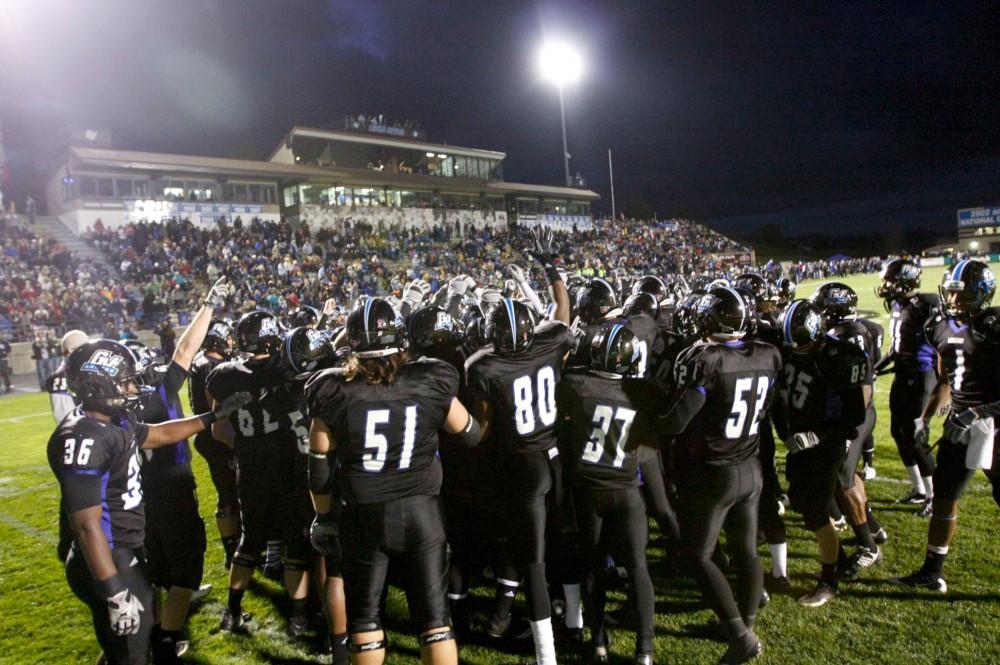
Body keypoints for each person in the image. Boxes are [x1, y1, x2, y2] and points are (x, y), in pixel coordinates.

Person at [48, 339, 248, 665]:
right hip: (108, 559)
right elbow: (86, 527)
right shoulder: (83, 437)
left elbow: (157, 434)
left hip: (123, 551)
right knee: (133, 654)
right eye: (125, 380)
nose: (133, 386)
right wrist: (114, 591)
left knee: (123, 649)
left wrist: (210, 417)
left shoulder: (112, 419)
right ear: (99, 385)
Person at [305, 297, 481, 665]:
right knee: (435, 621)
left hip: (364, 514)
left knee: (366, 618)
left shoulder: (333, 390)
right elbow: (469, 433)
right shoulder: (431, 378)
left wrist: (323, 517)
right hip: (422, 513)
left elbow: (319, 468)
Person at [466, 228, 572, 665]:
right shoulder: (549, 344)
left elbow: (484, 428)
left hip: (523, 466)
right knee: (563, 541)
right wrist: (552, 271)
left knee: (532, 561)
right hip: (556, 459)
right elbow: (564, 312)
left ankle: (546, 654)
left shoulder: (484, 366)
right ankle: (577, 620)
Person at [663, 286, 781, 665]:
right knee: (746, 551)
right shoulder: (766, 353)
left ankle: (740, 635)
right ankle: (743, 624)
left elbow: (678, 420)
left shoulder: (707, 360)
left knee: (697, 555)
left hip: (716, 473)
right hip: (751, 466)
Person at [133, 278, 229, 663]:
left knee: (155, 568)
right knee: (185, 571)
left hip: (138, 494)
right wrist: (208, 304)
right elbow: (186, 349)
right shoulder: (157, 390)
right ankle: (167, 642)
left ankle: (150, 631)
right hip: (172, 489)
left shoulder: (111, 409)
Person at [893, 260, 1000, 592]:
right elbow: (946, 380)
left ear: (980, 294)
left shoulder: (995, 326)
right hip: (960, 425)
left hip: (995, 425)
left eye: (960, 294)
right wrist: (925, 417)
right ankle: (932, 570)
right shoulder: (938, 326)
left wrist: (979, 412)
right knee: (944, 495)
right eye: (950, 293)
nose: (952, 301)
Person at [558, 323, 661, 665]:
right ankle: (645, 649)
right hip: (628, 490)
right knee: (638, 568)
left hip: (590, 491)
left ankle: (599, 641)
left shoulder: (576, 385)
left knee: (591, 567)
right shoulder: (642, 392)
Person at [208, 310, 313, 636]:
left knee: (249, 541)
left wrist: (243, 446)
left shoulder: (224, 374)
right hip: (289, 469)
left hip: (251, 469)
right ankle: (298, 618)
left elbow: (218, 430)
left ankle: (233, 610)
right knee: (295, 544)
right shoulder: (286, 371)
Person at [773, 299, 870, 607]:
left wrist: (818, 435)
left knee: (816, 508)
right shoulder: (790, 350)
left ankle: (829, 581)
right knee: (802, 502)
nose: (794, 349)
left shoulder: (840, 356)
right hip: (800, 440)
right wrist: (787, 433)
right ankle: (839, 561)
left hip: (828, 441)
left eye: (799, 342)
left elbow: (855, 414)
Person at [809, 282, 887, 578]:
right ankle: (874, 530)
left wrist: (847, 421)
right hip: (861, 412)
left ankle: (868, 547)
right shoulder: (861, 328)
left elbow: (858, 384)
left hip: (854, 413)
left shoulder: (845, 335)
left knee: (842, 478)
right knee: (849, 474)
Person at [872, 258, 939, 513]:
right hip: (903, 375)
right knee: (898, 432)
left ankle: (933, 497)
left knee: (916, 437)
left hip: (923, 377)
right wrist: (875, 368)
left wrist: (944, 386)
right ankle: (919, 489)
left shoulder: (928, 304)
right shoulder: (898, 305)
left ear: (905, 280)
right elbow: (896, 347)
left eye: (890, 280)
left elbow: (942, 346)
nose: (886, 285)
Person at [188, 320, 240, 567]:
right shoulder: (212, 366)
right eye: (228, 338)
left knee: (228, 491)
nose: (231, 342)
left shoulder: (201, 361)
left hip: (207, 434)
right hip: (217, 436)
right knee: (229, 493)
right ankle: (233, 550)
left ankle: (234, 546)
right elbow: (217, 407)